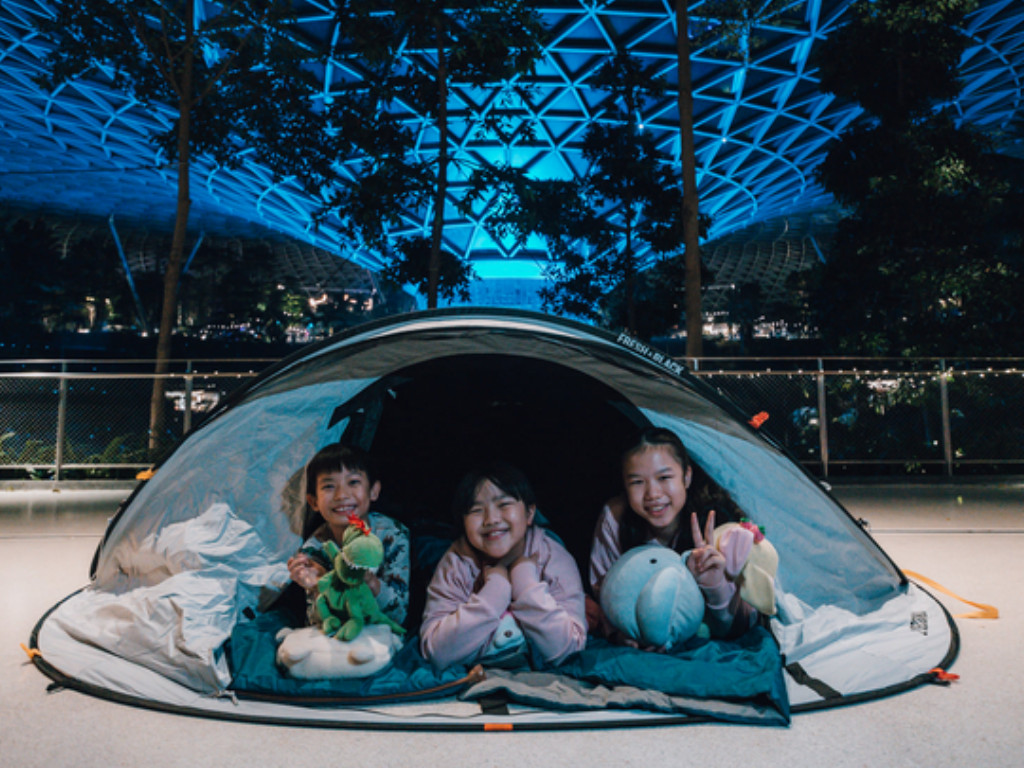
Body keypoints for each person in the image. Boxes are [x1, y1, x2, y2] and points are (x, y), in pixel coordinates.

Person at [588, 427, 755, 643]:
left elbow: (740, 625)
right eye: (637, 482)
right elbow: (604, 592)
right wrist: (621, 632)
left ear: (686, 477)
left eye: (664, 477)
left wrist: (715, 585)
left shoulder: (719, 524)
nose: (653, 494)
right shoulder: (616, 518)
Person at [420, 461, 587, 670]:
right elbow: (437, 651)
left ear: (529, 513)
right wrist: (496, 588)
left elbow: (567, 649)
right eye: (476, 510)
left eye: (504, 505)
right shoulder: (456, 562)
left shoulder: (553, 557)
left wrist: (524, 580)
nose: (491, 519)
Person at [286, 442, 409, 628]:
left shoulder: (393, 536)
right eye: (328, 486)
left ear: (373, 491)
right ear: (313, 502)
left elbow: (398, 616)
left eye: (353, 482)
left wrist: (370, 582)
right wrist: (317, 584)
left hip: (380, 630)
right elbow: (316, 623)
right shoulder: (316, 548)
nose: (341, 495)